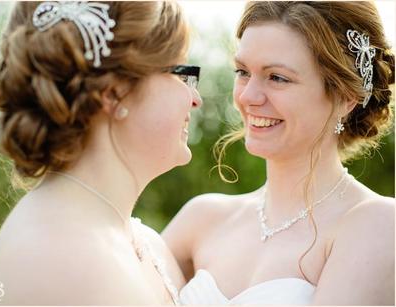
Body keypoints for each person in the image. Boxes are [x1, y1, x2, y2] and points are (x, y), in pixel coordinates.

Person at [162, 1, 394, 305]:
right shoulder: (201, 219)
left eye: (277, 78)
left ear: (345, 96)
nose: (247, 96)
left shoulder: (376, 224)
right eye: (243, 71)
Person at [0, 1, 201, 305]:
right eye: (181, 73)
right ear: (114, 93)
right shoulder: (55, 256)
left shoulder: (145, 244)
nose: (195, 98)